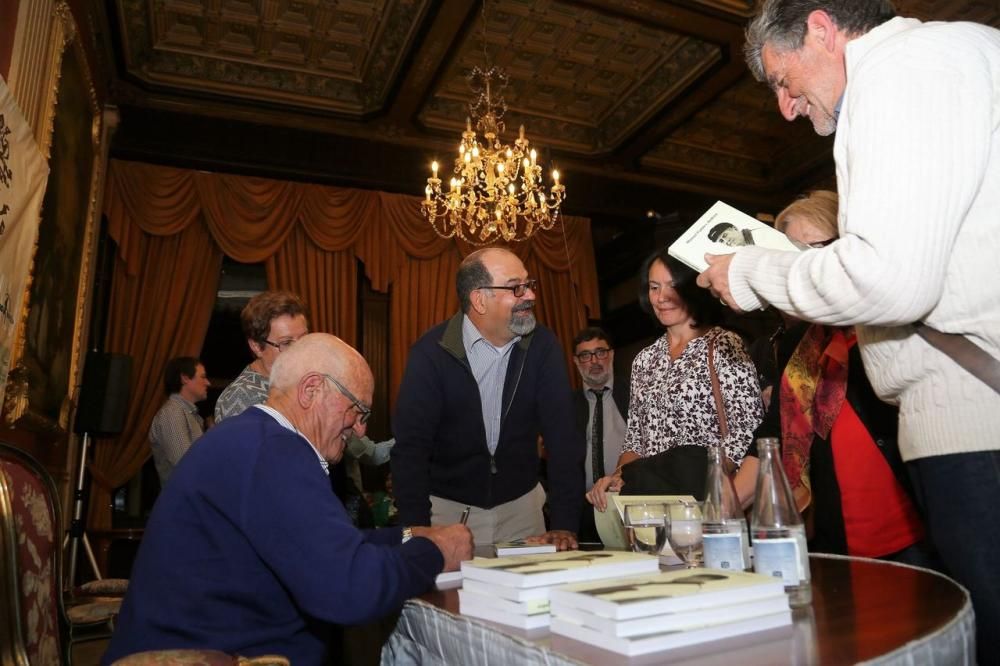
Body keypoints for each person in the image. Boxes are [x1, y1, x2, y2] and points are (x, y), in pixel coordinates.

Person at [697, 2, 1000, 657]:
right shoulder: (948, 60)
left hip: (977, 427)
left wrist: (753, 272)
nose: (785, 107)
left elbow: (891, 279)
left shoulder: (900, 71)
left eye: (782, 80)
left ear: (820, 29)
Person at [103, 334, 473, 664]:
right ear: (311, 390)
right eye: (357, 410)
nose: (360, 428)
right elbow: (351, 589)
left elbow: (330, 548)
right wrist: (438, 551)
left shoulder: (251, 439)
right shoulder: (273, 451)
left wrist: (412, 536)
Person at [757, 191, 933, 566]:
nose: (806, 270)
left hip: (917, 526)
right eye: (793, 259)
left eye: (818, 251)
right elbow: (776, 430)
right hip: (836, 536)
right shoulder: (795, 343)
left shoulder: (890, 321)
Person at [391, 247, 583, 551]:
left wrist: (564, 523)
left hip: (523, 511)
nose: (530, 295)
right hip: (449, 516)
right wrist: (416, 528)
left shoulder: (543, 346)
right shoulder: (431, 353)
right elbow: (411, 449)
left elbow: (563, 440)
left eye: (529, 284)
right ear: (479, 299)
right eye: (515, 287)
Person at [587, 250, 763, 513]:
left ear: (693, 289)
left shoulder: (725, 344)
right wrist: (618, 475)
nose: (661, 298)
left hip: (710, 500)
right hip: (652, 504)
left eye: (672, 286)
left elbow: (747, 431)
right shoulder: (644, 360)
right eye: (654, 287)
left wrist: (710, 485)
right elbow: (636, 441)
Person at [214, 290, 309, 423]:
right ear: (256, 346)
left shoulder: (302, 379)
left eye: (304, 338)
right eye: (286, 343)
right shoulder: (240, 398)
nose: (300, 350)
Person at [571, 327, 629, 542]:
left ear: (611, 354)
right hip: (583, 512)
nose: (594, 361)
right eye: (586, 355)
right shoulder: (565, 406)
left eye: (600, 352)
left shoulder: (637, 394)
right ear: (577, 362)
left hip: (630, 504)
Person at [148, 356, 210, 486]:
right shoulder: (173, 413)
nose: (208, 383)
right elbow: (185, 464)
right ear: (185, 378)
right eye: (203, 377)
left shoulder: (189, 414)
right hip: (181, 503)